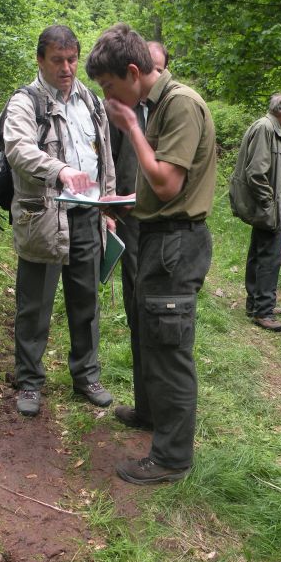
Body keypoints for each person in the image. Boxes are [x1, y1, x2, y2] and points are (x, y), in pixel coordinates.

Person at [86, 23, 217, 484]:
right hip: (157, 237)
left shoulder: (180, 104)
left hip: (176, 244)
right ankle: (150, 414)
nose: (108, 97)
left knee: (169, 349)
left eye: (109, 86)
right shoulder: (155, 105)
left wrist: (130, 127)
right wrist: (124, 201)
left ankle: (171, 459)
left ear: (133, 71)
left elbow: (167, 183)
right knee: (151, 337)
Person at [3, 25, 116, 416]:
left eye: (71, 59)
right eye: (57, 60)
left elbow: (105, 156)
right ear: (40, 60)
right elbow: (19, 149)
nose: (66, 68)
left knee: (86, 302)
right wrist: (60, 170)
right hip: (43, 217)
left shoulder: (91, 100)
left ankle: (86, 376)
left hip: (87, 216)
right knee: (34, 305)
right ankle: (29, 381)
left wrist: (107, 205)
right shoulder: (25, 102)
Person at [108, 43, 168, 356]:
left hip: (165, 212)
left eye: (159, 69)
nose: (152, 75)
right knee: (133, 275)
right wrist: (112, 204)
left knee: (160, 278)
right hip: (129, 211)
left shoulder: (171, 106)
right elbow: (109, 156)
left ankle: (159, 339)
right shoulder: (122, 107)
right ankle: (139, 338)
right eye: (148, 68)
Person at [228, 94, 281, 332]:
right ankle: (263, 311)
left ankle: (256, 304)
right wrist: (269, 204)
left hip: (269, 206)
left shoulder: (270, 128)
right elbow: (256, 173)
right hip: (269, 207)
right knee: (269, 258)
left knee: (260, 253)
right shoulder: (266, 128)